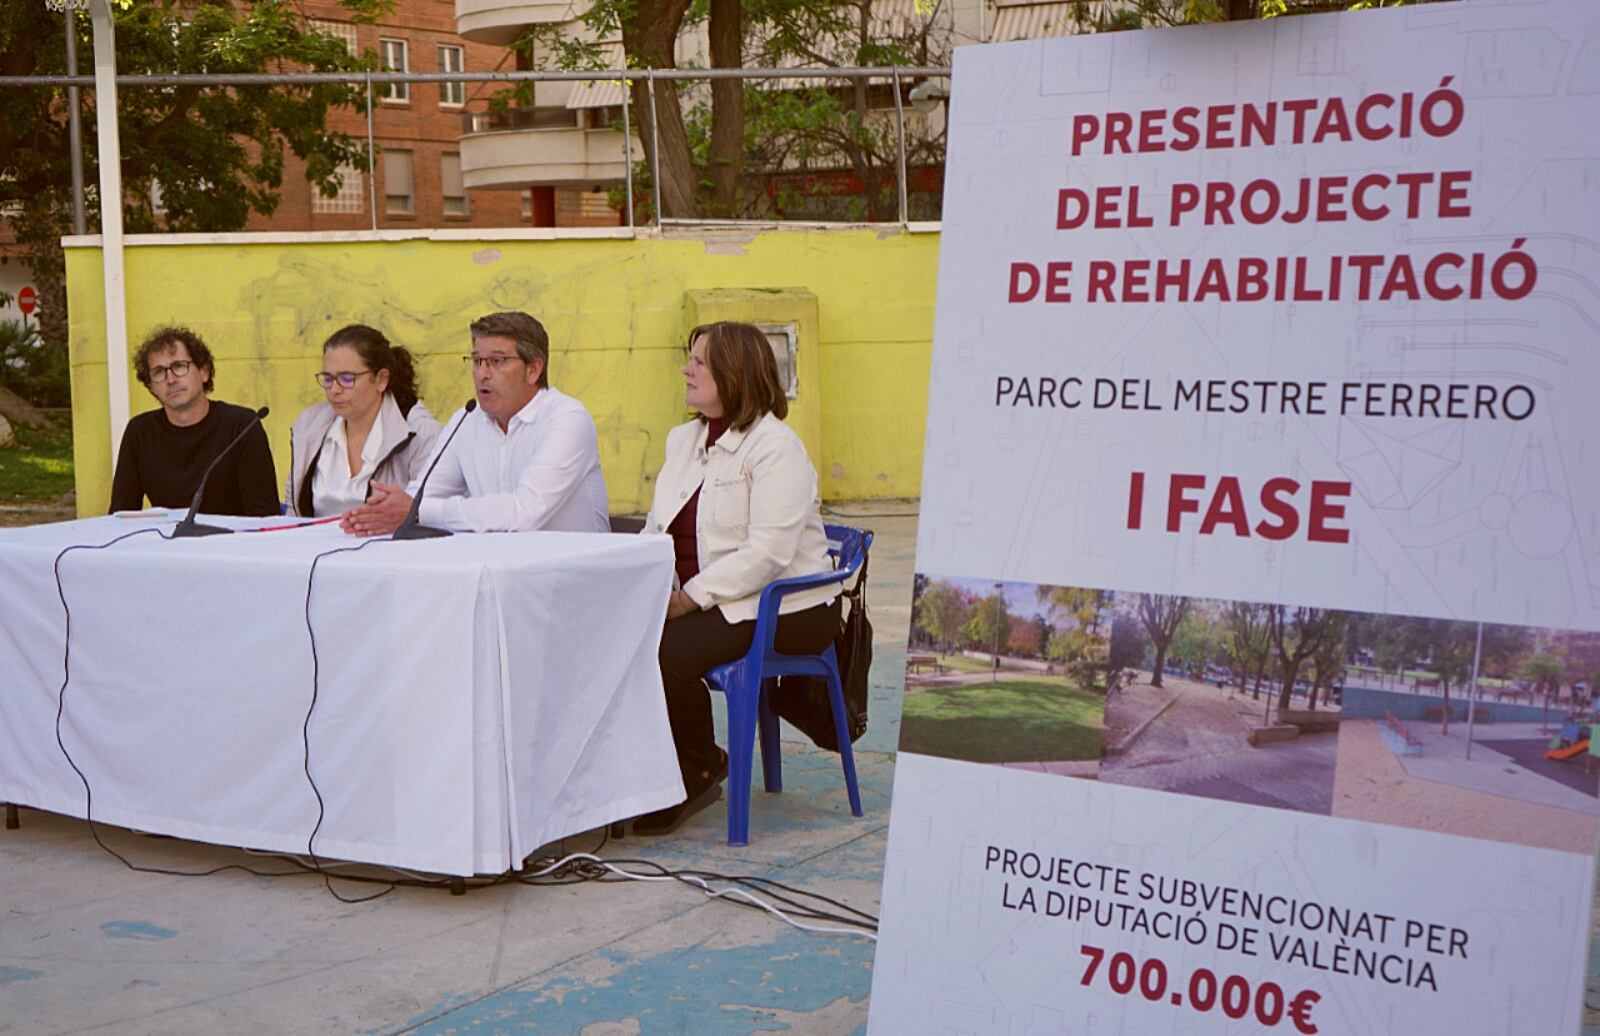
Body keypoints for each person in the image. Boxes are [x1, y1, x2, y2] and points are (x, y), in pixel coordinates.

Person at [633, 321, 841, 835]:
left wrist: (687, 601)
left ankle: (699, 766)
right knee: (615, 639)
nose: (687, 369)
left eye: (699, 362)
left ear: (734, 372)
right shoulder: (683, 440)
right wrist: (637, 586)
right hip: (708, 600)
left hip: (786, 607)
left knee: (664, 651)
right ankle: (647, 770)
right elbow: (656, 527)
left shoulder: (776, 447)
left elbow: (768, 555)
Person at [341, 311, 609, 536]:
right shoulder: (466, 419)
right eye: (477, 361)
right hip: (500, 577)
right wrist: (385, 510)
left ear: (533, 369)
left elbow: (524, 513)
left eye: (497, 361)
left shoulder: (566, 419)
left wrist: (417, 511)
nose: (482, 374)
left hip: (573, 585)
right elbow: (422, 495)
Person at [109, 326, 278, 516]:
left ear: (204, 372)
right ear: (152, 387)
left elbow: (264, 515)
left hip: (234, 542)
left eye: (179, 366)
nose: (170, 379)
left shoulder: (242, 426)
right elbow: (120, 515)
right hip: (167, 543)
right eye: (158, 372)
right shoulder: (139, 432)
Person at [284, 325, 442, 518]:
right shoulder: (309, 426)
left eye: (347, 378)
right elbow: (293, 516)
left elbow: (434, 513)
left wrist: (412, 513)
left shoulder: (421, 433)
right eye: (328, 378)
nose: (334, 389)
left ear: (381, 379)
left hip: (391, 547)